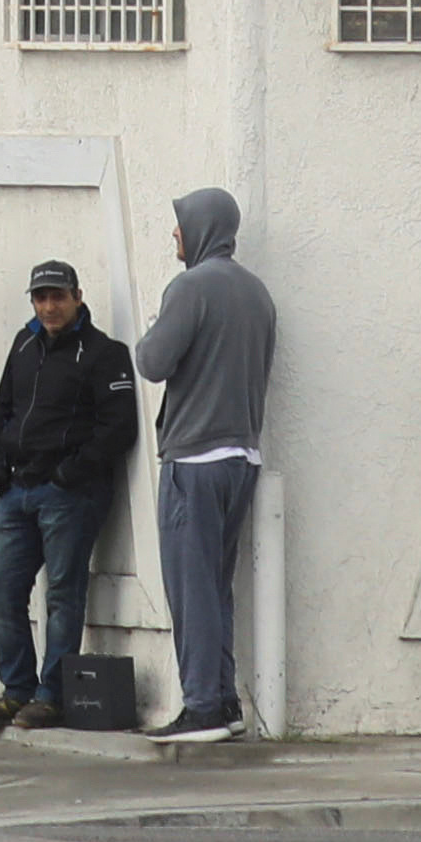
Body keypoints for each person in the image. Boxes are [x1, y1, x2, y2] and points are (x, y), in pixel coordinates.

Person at [133, 185, 277, 740]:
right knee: (216, 585)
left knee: (190, 587)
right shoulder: (257, 293)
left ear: (200, 229)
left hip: (194, 458)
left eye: (180, 224)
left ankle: (202, 706)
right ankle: (224, 702)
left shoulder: (191, 287)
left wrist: (153, 325)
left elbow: (152, 360)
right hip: (241, 456)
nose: (175, 233)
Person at [0, 257, 135, 729]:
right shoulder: (23, 344)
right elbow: (2, 408)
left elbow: (118, 427)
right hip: (17, 492)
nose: (49, 306)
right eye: (40, 297)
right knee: (1, 590)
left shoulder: (105, 353)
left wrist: (70, 473)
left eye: (57, 296)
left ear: (77, 297)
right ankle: (16, 692)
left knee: (63, 595)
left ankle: (51, 695)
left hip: (70, 495)